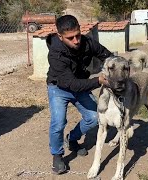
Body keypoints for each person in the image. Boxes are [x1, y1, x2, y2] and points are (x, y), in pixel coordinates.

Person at [46, 15, 112, 174]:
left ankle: (72, 139)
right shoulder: (56, 54)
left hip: (80, 85)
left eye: (78, 35)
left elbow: (106, 54)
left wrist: (116, 66)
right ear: (60, 36)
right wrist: (99, 81)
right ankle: (57, 155)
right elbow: (71, 84)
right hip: (59, 88)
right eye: (70, 38)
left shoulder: (87, 42)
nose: (76, 40)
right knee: (58, 122)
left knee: (95, 117)